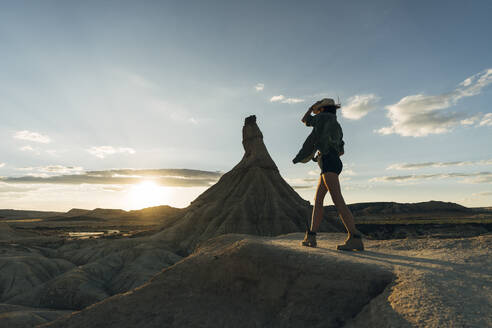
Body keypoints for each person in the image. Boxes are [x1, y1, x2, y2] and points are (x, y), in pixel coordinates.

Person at [299, 98, 364, 251]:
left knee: (337, 199)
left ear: (322, 109)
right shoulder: (336, 125)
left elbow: (305, 120)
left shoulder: (322, 118)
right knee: (318, 200)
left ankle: (354, 237)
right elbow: (341, 150)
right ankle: (311, 236)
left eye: (319, 109)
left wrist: (310, 108)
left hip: (327, 162)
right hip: (332, 162)